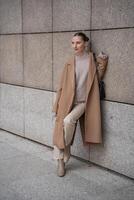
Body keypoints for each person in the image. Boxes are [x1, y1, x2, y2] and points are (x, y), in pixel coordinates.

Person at [52, 32, 108, 177]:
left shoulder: (91, 59)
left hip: (84, 102)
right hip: (67, 100)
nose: (75, 46)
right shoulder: (70, 62)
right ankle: (61, 161)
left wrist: (103, 62)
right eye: (73, 43)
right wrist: (56, 105)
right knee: (59, 129)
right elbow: (61, 85)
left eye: (78, 42)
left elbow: (97, 78)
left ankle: (66, 150)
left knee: (68, 121)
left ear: (85, 44)